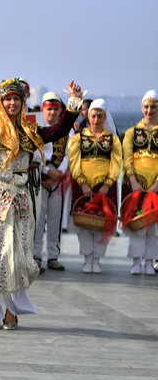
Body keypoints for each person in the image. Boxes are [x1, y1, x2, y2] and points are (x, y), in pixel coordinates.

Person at [0, 70, 82, 330]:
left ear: (23, 103)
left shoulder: (30, 131)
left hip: (21, 200)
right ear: (0, 102)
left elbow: (58, 131)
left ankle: (11, 310)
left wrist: (73, 106)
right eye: (7, 99)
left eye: (17, 99)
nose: (12, 103)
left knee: (18, 254)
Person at [67, 98, 121, 273]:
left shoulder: (113, 140)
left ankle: (97, 258)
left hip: (105, 186)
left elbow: (116, 162)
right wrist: (82, 182)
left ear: (105, 117)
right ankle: (87, 257)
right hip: (83, 186)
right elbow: (74, 162)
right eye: (93, 116)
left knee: (102, 222)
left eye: (99, 116)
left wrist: (107, 184)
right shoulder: (78, 138)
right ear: (88, 116)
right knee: (83, 224)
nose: (96, 120)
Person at [33, 92, 71, 273]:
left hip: (58, 180)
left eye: (56, 109)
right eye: (49, 109)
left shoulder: (68, 130)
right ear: (43, 109)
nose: (53, 113)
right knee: (38, 220)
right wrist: (47, 172)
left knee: (55, 220)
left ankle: (53, 256)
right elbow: (33, 155)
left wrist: (59, 172)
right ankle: (36, 256)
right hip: (40, 179)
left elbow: (68, 154)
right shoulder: (35, 128)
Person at [121, 90, 158, 276]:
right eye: (146, 106)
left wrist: (157, 184)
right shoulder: (131, 133)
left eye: (153, 106)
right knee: (136, 223)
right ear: (141, 108)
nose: (149, 110)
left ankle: (150, 261)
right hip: (136, 184)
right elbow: (127, 158)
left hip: (156, 185)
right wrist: (133, 181)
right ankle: (136, 261)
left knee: (154, 227)